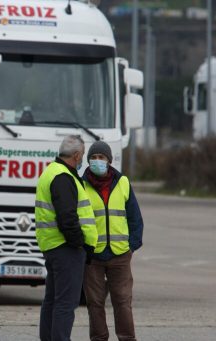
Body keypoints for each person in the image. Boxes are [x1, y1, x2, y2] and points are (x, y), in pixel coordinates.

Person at [35, 135, 98, 341]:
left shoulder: (51, 172)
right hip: (66, 249)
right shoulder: (63, 177)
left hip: (53, 245)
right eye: (82, 156)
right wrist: (80, 244)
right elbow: (67, 218)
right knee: (65, 303)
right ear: (77, 155)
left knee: (52, 300)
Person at [82, 141, 144, 341]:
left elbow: (135, 218)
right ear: (88, 160)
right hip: (93, 256)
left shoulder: (123, 182)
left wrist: (131, 246)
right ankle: (99, 338)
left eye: (101, 157)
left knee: (123, 301)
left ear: (109, 160)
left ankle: (127, 338)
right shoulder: (81, 185)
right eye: (94, 158)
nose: (97, 161)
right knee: (95, 302)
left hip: (120, 255)